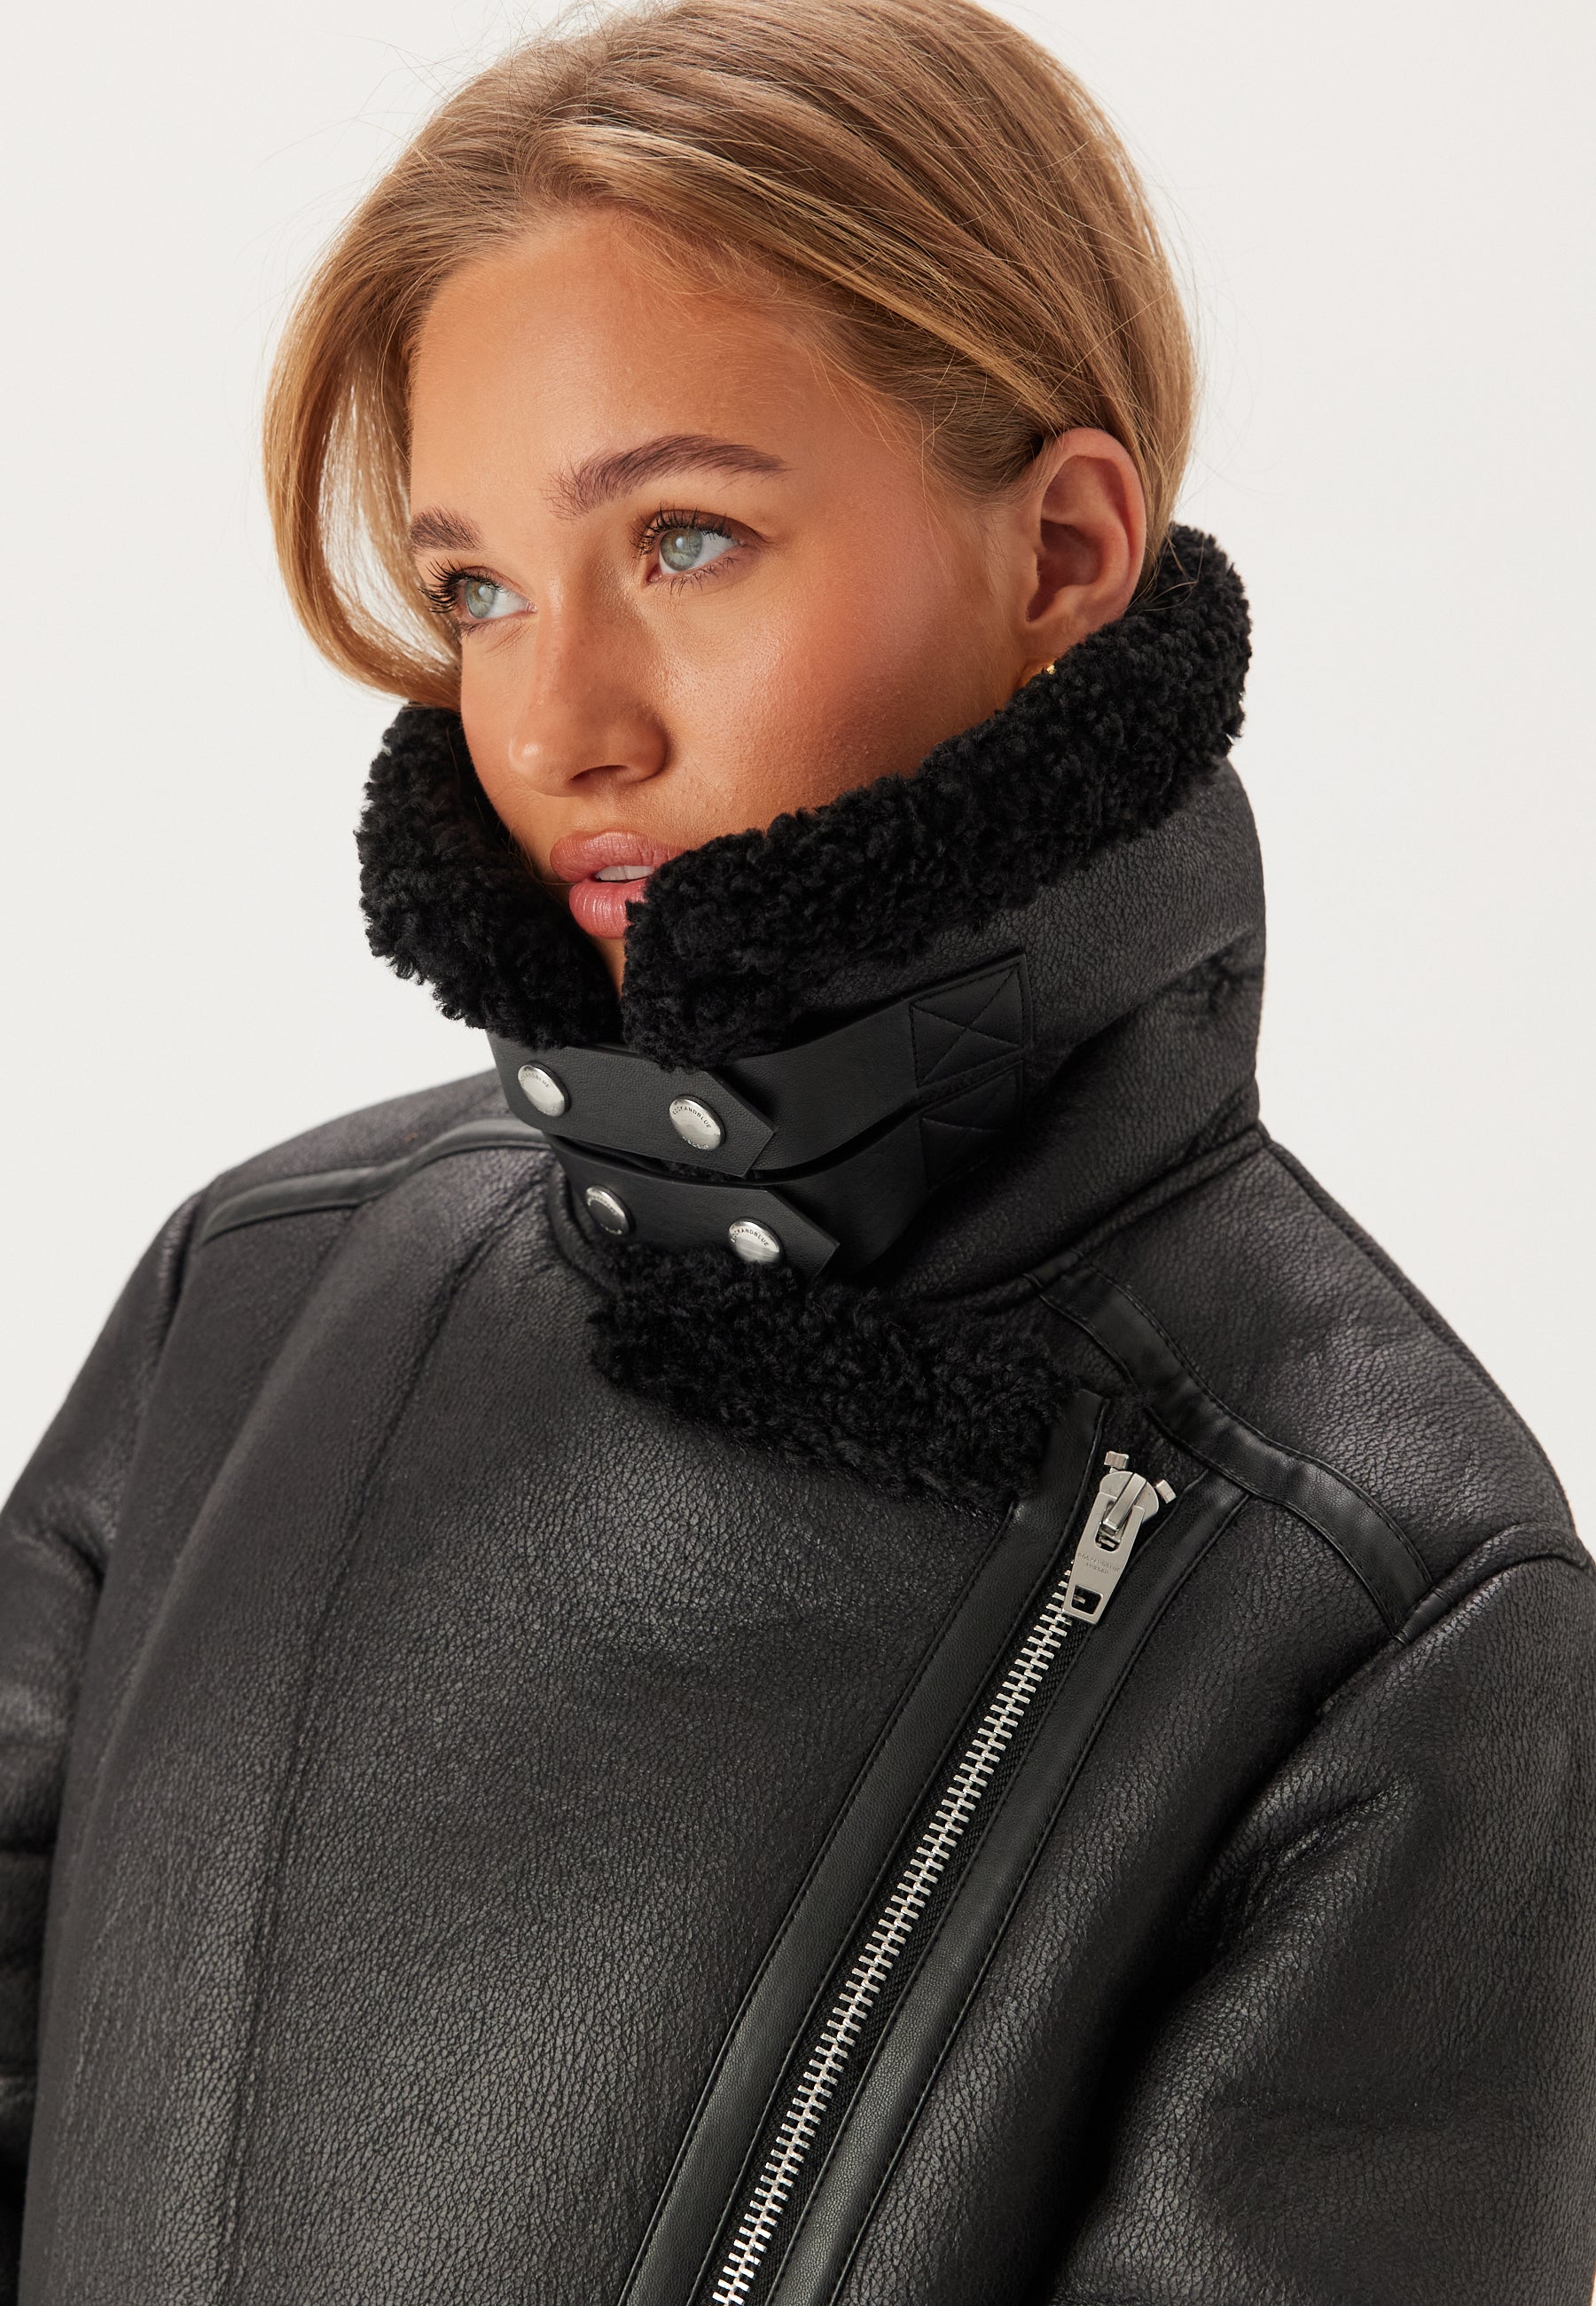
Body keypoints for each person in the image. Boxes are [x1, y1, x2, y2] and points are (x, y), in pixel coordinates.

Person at [3, 0, 1592, 2299]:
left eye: (686, 539)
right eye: (478, 589)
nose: (559, 723)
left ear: (1065, 548)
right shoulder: (248, 1305)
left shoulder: (1372, 1582)